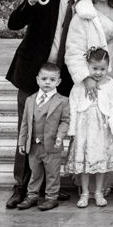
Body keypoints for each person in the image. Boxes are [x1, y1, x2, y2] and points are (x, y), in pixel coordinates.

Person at [3, 0, 92, 208]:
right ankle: (21, 187)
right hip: (33, 74)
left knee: (51, 135)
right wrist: (30, 0)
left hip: (61, 82)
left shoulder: (85, 6)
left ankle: (46, 187)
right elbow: (14, 23)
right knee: (28, 131)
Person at [65, 49, 113, 207]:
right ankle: (84, 192)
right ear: (87, 67)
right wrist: (71, 130)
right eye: (95, 69)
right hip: (83, 129)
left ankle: (99, 191)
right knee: (85, 162)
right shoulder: (79, 86)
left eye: (102, 69)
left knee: (100, 161)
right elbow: (72, 107)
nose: (98, 72)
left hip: (102, 130)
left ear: (108, 67)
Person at [15, 63, 71, 210]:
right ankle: (32, 196)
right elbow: (25, 123)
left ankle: (52, 197)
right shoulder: (30, 100)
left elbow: (65, 121)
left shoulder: (63, 101)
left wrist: (60, 136)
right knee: (35, 172)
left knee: (52, 173)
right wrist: (22, 142)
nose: (47, 82)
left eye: (52, 80)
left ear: (58, 82)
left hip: (52, 146)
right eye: (44, 78)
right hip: (33, 145)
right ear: (37, 80)